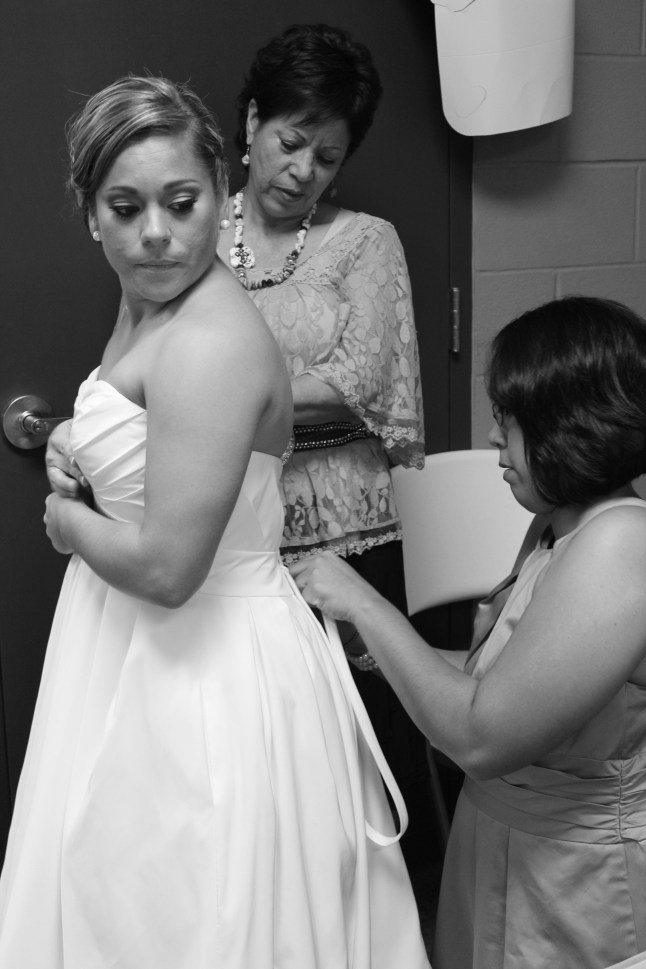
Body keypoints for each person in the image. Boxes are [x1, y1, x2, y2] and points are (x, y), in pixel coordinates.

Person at [0, 75, 431, 969]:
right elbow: (153, 437)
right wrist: (79, 445)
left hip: (204, 670)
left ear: (219, 196)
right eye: (125, 207)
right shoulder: (152, 299)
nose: (156, 231)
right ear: (92, 215)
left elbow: (167, 567)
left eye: (182, 202)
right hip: (132, 651)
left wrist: (65, 523)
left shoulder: (208, 336)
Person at [291, 295, 646, 969]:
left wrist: (367, 604)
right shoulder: (556, 527)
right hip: (505, 848)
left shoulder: (620, 544)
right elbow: (500, 681)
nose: (492, 441)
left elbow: (480, 736)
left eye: (508, 422)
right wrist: (377, 655)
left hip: (578, 880)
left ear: (572, 426)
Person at [216, 21, 426, 800]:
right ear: (252, 122)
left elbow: (357, 383)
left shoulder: (367, 242)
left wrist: (220, 395)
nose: (303, 170)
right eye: (292, 140)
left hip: (347, 526)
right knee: (249, 744)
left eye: (328, 156)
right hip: (229, 521)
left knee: (353, 744)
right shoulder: (191, 230)